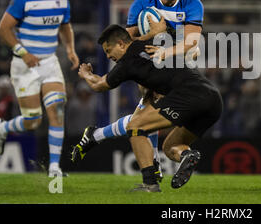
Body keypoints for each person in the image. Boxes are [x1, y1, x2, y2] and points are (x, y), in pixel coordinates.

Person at [71, 0, 204, 181]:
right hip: (148, 59)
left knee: (145, 116)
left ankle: (95, 135)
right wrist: (153, 35)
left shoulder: (192, 2)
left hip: (178, 58)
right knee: (149, 113)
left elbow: (190, 42)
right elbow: (127, 41)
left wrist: (165, 45)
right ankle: (153, 165)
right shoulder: (142, 3)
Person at [78, 24, 222, 192]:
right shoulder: (157, 43)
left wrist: (86, 74)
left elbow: (99, 85)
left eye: (109, 50)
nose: (109, 56)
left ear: (121, 43)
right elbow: (191, 48)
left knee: (135, 126)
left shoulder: (127, 62)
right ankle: (186, 155)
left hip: (188, 95)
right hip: (213, 100)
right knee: (170, 147)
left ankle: (150, 184)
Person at [0, 0, 79, 177]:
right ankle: (3, 128)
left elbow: (65, 26)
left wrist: (70, 49)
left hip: (49, 62)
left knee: (57, 111)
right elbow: (3, 30)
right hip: (24, 65)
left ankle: (54, 168)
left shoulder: (61, 0)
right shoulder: (22, 0)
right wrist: (23, 53)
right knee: (33, 121)